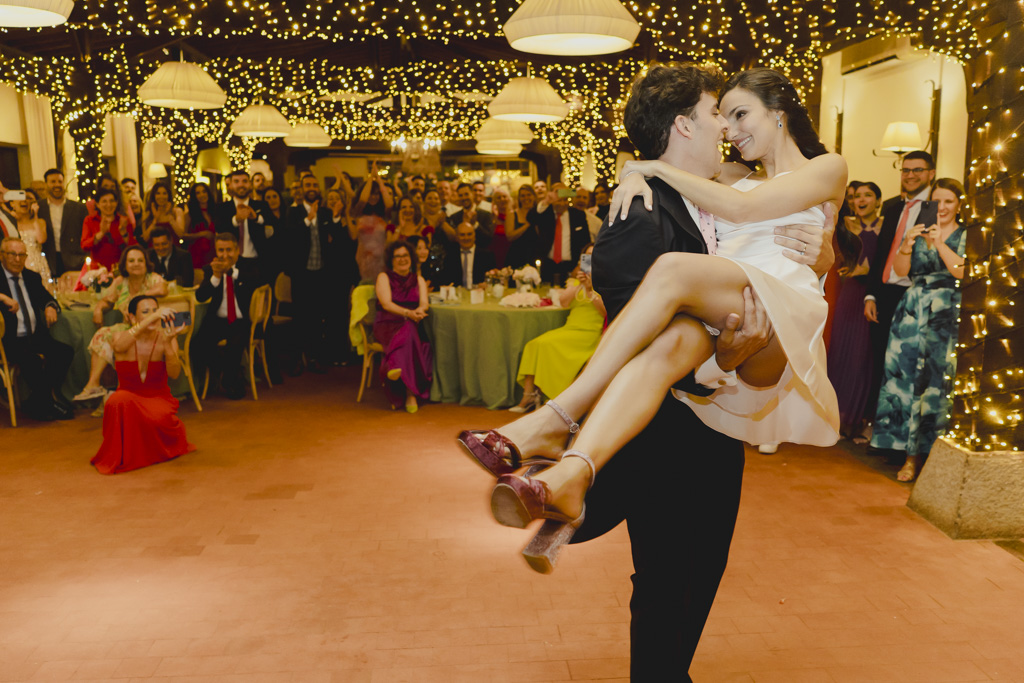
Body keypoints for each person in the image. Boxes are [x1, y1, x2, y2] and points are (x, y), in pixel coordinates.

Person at [460, 64, 840, 630]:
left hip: (777, 321)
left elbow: (753, 222)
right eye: (721, 115)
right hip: (706, 378)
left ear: (777, 110)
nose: (730, 129)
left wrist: (827, 255)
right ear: (686, 126)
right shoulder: (712, 186)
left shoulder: (822, 166)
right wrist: (637, 174)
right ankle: (568, 476)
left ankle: (555, 426)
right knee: (672, 583)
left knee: (672, 274)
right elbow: (649, 325)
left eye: (739, 114)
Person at [871, 178, 966, 482]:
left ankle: (936, 456)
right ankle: (908, 456)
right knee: (906, 380)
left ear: (959, 205)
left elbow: (963, 271)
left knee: (938, 382)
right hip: (912, 312)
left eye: (948, 201)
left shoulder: (966, 235)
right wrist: (906, 245)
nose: (942, 208)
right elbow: (902, 271)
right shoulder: (920, 230)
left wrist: (939, 243)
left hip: (946, 314)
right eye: (936, 202)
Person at [863, 151, 936, 431]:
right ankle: (881, 428)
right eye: (905, 170)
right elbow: (881, 254)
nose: (910, 175)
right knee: (882, 361)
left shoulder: (935, 207)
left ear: (931, 173)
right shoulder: (893, 206)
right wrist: (871, 295)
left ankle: (906, 432)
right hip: (885, 293)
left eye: (918, 169)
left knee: (908, 365)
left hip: (914, 293)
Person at [90, 295, 195, 474]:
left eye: (155, 311)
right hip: (128, 397)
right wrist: (152, 319)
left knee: (152, 416)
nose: (153, 315)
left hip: (158, 398)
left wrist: (169, 343)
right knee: (117, 400)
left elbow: (175, 373)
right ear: (132, 318)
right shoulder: (119, 336)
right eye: (145, 312)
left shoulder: (165, 338)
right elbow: (119, 347)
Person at [510, 244, 606, 413]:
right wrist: (581, 284)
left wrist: (592, 289)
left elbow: (605, 311)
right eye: (587, 257)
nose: (590, 260)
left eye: (594, 256)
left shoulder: (606, 281)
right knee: (534, 344)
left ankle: (545, 398)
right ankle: (529, 396)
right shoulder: (577, 281)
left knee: (547, 345)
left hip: (590, 333)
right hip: (570, 328)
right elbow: (563, 302)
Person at [73, 245, 168, 402]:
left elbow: (163, 289)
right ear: (124, 265)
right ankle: (94, 385)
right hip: (129, 328)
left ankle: (114, 392)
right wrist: (98, 309)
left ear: (146, 263)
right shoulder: (120, 282)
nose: (136, 264)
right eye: (131, 261)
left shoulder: (153, 278)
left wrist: (138, 297)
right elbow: (108, 300)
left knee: (111, 338)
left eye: (140, 260)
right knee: (102, 334)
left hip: (150, 328)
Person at [827, 181, 882, 443]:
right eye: (857, 196)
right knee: (841, 353)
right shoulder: (845, 225)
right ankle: (837, 418)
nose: (861, 200)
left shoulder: (886, 226)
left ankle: (863, 421)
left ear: (878, 201)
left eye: (868, 195)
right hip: (847, 294)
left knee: (865, 358)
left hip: (871, 297)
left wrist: (868, 272)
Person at [0, 237, 74, 421]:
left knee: (64, 352)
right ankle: (47, 404)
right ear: (2, 255)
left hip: (35, 336)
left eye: (21, 255)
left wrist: (50, 306)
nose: (18, 260)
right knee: (31, 361)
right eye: (12, 254)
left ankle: (38, 402)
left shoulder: (31, 277)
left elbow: (48, 298)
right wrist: (2, 297)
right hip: (9, 340)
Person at [192, 233, 256, 400]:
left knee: (234, 346)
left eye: (229, 250)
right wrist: (216, 277)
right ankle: (223, 370)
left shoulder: (248, 266)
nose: (225, 255)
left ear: (237, 250)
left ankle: (231, 381)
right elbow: (200, 297)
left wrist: (231, 273)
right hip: (217, 320)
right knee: (198, 344)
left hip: (241, 320)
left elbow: (258, 280)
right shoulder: (210, 268)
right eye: (221, 250)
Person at [286, 174, 336, 374]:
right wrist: (307, 220)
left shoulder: (325, 213)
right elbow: (289, 236)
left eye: (315, 184)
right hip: (301, 272)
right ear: (302, 189)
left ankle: (315, 357)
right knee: (300, 316)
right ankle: (297, 358)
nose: (312, 187)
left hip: (321, 272)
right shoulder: (293, 212)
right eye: (308, 185)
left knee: (317, 316)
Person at [374, 240, 432, 413]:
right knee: (409, 329)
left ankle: (393, 366)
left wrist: (420, 311)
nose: (402, 259)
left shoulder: (418, 279)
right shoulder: (384, 277)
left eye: (405, 255)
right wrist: (409, 313)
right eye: (397, 256)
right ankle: (410, 393)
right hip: (387, 322)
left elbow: (424, 303)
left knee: (413, 332)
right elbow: (386, 304)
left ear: (411, 258)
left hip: (410, 321)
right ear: (391, 260)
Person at [214, 170, 271, 277]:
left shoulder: (262, 205)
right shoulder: (221, 208)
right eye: (236, 181)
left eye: (244, 181)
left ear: (250, 184)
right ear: (230, 185)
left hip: (258, 261)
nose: (241, 185)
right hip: (231, 262)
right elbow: (220, 229)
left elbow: (273, 225)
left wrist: (256, 218)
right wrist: (236, 220)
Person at [534, 183, 591, 285]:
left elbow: (587, 244)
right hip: (548, 266)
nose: (562, 203)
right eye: (559, 200)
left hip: (572, 267)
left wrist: (584, 269)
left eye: (565, 200)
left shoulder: (578, 215)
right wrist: (547, 201)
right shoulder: (545, 214)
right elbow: (532, 217)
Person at [38, 168, 88, 276]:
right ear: (46, 184)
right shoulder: (39, 208)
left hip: (74, 260)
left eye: (60, 181)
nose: (57, 185)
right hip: (49, 261)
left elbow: (86, 234)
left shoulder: (79, 208)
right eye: (53, 182)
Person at [350, 164, 392, 282]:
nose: (373, 197)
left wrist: (378, 178)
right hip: (364, 258)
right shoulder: (358, 212)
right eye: (371, 193)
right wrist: (370, 177)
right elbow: (363, 199)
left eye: (376, 194)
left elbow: (389, 203)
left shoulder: (384, 215)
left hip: (382, 259)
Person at [81, 188, 136, 270]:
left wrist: (124, 233)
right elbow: (84, 245)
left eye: (112, 201)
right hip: (97, 270)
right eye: (104, 201)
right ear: (98, 204)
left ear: (116, 203)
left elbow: (133, 248)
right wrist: (101, 233)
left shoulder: (124, 221)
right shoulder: (90, 220)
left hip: (120, 268)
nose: (109, 205)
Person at [9, 190, 52, 285]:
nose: (24, 201)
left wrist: (35, 215)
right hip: (19, 262)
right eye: (21, 198)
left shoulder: (40, 221)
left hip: (38, 263)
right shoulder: (11, 223)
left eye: (27, 199)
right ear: (13, 203)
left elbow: (41, 239)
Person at [439, 221, 496, 288]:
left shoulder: (487, 256)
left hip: (479, 295)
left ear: (474, 236)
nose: (466, 238)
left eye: (469, 234)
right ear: (457, 237)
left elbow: (492, 280)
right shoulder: (450, 257)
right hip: (457, 296)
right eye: (462, 235)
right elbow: (446, 280)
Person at [182, 182, 216, 269]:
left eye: (204, 191)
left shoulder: (216, 212)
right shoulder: (189, 214)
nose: (202, 195)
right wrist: (203, 234)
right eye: (198, 193)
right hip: (197, 255)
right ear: (194, 196)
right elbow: (183, 235)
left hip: (215, 253)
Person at [138, 180, 184, 245]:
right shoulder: (147, 213)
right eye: (158, 193)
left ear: (169, 195)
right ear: (154, 196)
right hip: (153, 251)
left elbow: (181, 234)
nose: (161, 196)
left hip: (174, 250)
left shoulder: (177, 211)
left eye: (164, 193)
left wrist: (169, 218)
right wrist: (155, 220)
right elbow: (145, 238)